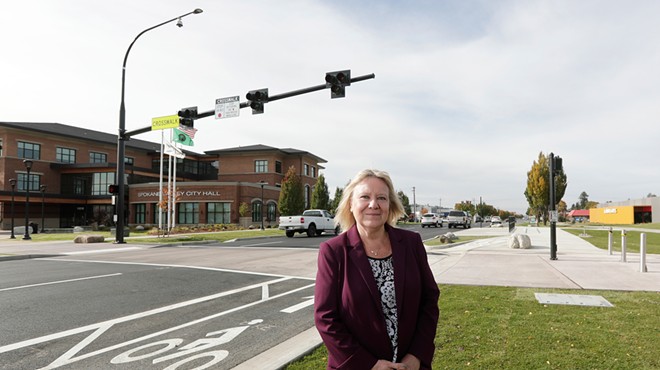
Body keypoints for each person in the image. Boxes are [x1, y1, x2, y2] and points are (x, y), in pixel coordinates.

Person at [314, 169, 440, 370]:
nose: (374, 204)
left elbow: (429, 300)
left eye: (381, 197)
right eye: (365, 197)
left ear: (390, 205)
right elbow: (325, 317)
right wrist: (369, 365)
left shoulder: (411, 243)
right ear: (351, 204)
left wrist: (417, 355)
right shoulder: (333, 251)